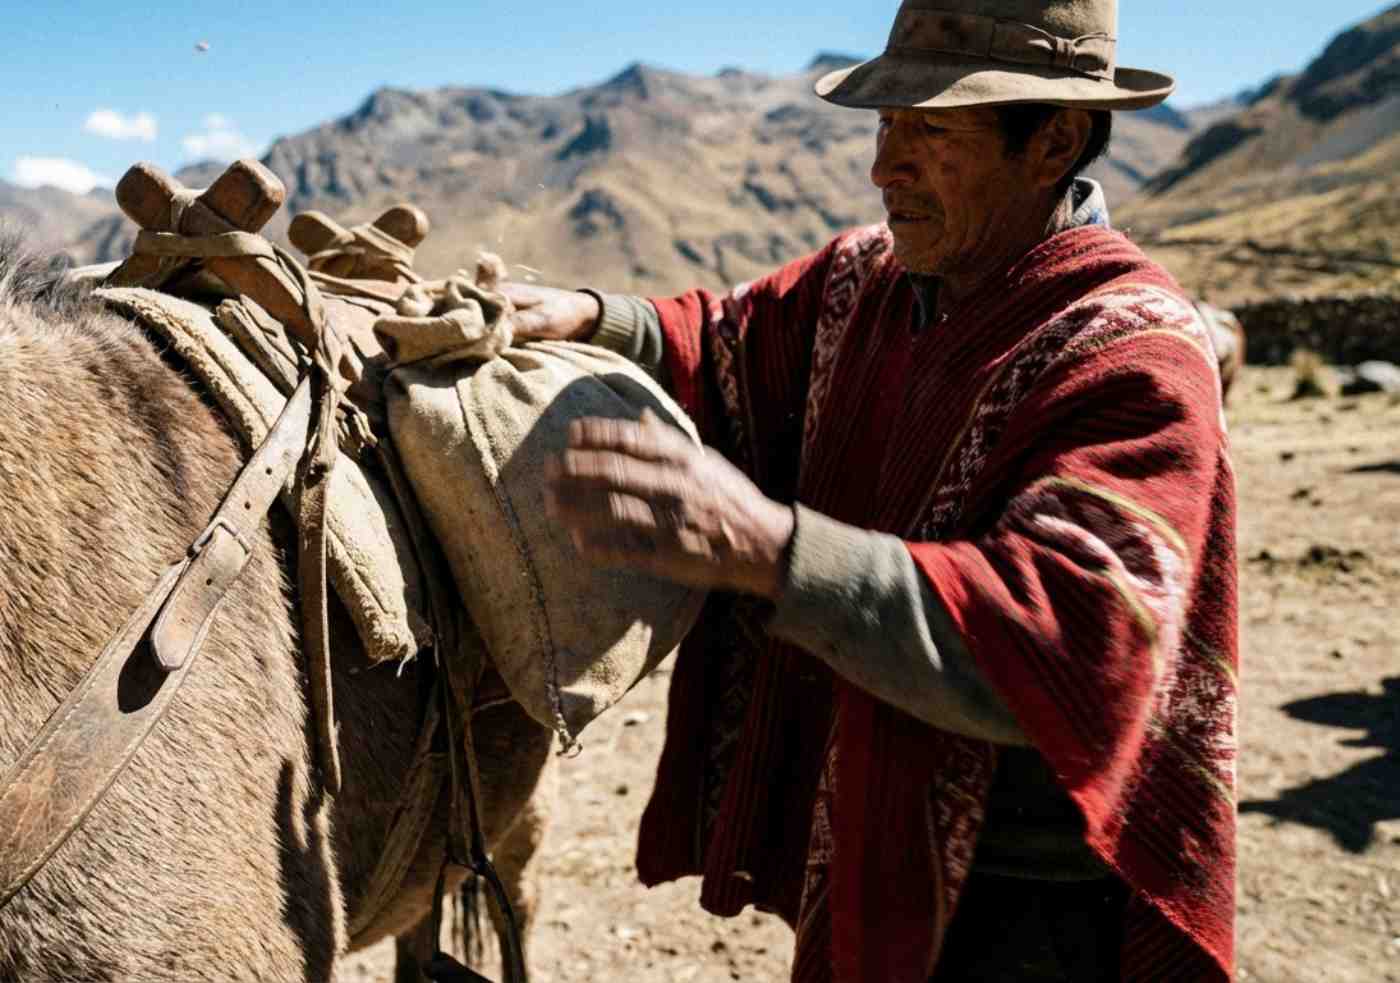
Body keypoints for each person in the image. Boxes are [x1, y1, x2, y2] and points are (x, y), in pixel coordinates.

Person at [504, 1, 1238, 979]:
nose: (883, 167)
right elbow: (729, 337)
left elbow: (1067, 634)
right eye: (885, 127)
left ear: (1052, 140)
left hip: (1030, 895)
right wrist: (586, 313)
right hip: (872, 839)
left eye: (928, 130)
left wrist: (766, 547)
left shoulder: (1132, 357)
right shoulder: (869, 281)